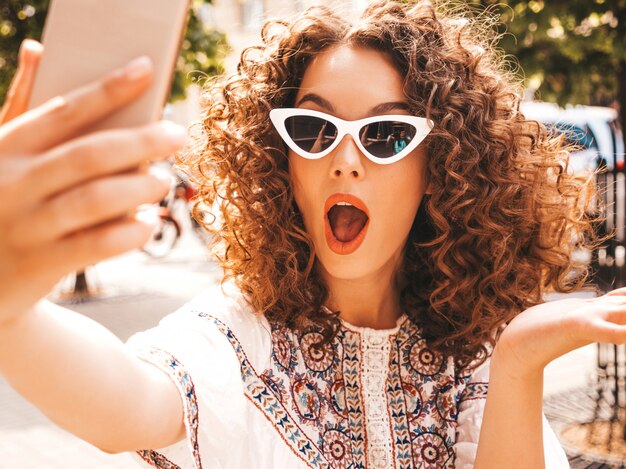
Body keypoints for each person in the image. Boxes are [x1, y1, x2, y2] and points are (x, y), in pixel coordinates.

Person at [0, 2, 623, 468]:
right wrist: (8, 299)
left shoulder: (477, 347)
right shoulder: (235, 340)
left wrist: (517, 364)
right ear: (284, 165)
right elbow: (122, 405)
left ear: (440, 171)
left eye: (384, 137)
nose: (345, 160)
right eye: (314, 129)